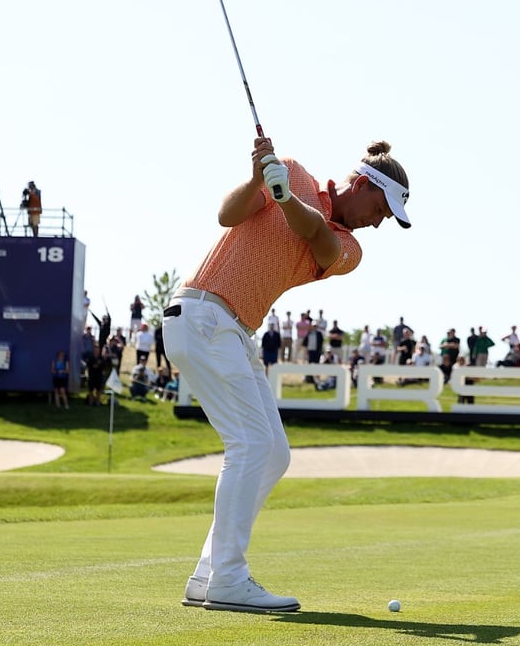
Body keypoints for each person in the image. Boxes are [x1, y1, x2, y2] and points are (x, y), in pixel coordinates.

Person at [164, 134, 411, 614]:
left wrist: (285, 199)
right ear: (363, 184)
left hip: (231, 330)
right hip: (203, 315)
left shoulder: (348, 246)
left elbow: (317, 238)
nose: (379, 223)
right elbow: (227, 215)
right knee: (251, 445)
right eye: (382, 210)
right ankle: (229, 580)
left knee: (273, 452)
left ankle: (208, 575)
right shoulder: (291, 169)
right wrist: (260, 177)